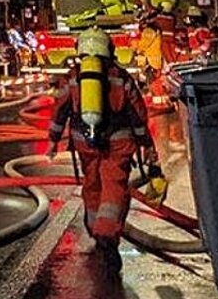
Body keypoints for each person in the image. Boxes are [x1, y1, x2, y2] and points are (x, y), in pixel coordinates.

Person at [47, 27, 163, 277]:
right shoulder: (120, 76)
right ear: (108, 49)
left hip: (83, 142)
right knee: (114, 186)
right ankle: (107, 232)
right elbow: (137, 112)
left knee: (92, 184)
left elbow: (60, 108)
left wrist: (53, 140)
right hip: (118, 142)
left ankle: (94, 226)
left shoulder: (74, 76)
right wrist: (146, 145)